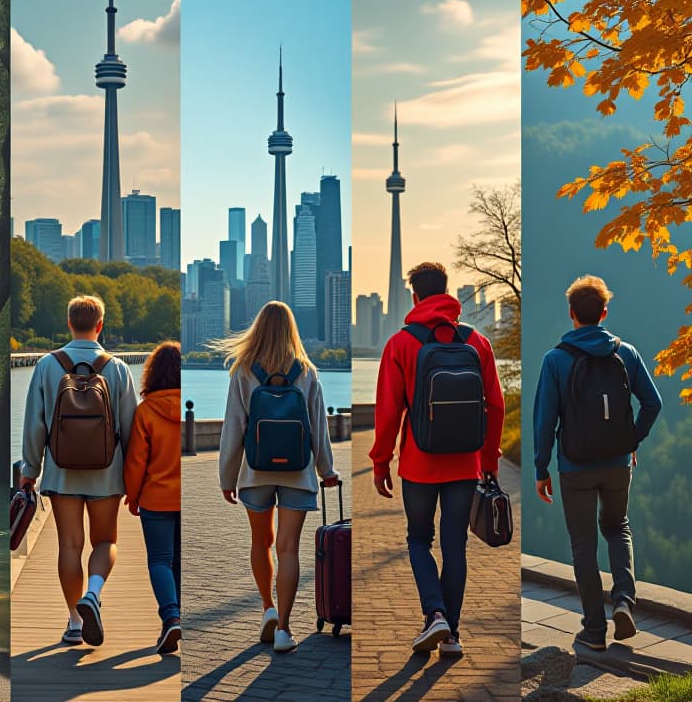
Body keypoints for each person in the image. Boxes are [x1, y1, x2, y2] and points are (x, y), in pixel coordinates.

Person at [369, 262, 505, 658]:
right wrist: (489, 459)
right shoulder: (476, 341)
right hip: (465, 464)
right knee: (455, 546)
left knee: (417, 540)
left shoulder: (401, 343)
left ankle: (435, 614)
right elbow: (494, 405)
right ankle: (453, 635)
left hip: (419, 463)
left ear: (414, 297)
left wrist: (380, 462)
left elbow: (389, 411)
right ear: (447, 293)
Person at [533, 275, 661, 650]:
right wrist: (631, 440)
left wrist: (541, 469)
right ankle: (623, 600)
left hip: (575, 466)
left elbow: (545, 421)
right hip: (619, 463)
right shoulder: (628, 353)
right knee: (618, 527)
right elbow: (652, 404)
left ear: (571, 314)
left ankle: (594, 631)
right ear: (604, 313)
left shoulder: (555, 360)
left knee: (583, 544)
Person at [215, 300, 340, 654]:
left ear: (258, 329)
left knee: (261, 543)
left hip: (255, 472)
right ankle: (284, 629)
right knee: (288, 549)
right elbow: (319, 428)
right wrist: (326, 471)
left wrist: (227, 476)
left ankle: (267, 608)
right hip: (298, 473)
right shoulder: (307, 371)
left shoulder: (243, 371)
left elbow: (233, 429)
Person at [20, 295, 137, 647]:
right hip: (107, 472)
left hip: (61, 470)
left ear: (69, 323)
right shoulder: (116, 367)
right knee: (105, 541)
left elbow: (35, 424)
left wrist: (30, 468)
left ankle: (73, 621)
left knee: (69, 545)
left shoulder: (46, 365)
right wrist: (131, 474)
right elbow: (130, 425)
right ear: (100, 325)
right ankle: (94, 593)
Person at [124, 341, 181, 654]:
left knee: (160, 560)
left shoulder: (145, 411)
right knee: (181, 561)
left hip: (156, 498)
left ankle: (170, 617)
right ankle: (177, 617)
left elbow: (136, 460)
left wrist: (133, 496)